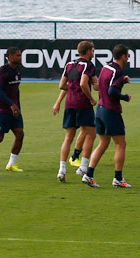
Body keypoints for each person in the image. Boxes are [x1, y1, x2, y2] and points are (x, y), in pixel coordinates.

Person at [84, 44, 132, 189]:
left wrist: (122, 81)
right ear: (123, 56)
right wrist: (124, 97)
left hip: (99, 109)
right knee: (120, 144)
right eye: (127, 55)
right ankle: (118, 178)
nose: (128, 58)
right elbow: (111, 91)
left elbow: (104, 84)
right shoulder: (118, 71)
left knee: (103, 143)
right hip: (110, 111)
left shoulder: (105, 68)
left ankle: (89, 174)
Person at [52, 41, 97, 182]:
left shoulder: (69, 64)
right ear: (88, 51)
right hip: (82, 104)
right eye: (93, 50)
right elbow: (84, 84)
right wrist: (91, 99)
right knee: (91, 133)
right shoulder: (88, 65)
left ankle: (62, 170)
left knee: (68, 137)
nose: (93, 52)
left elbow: (61, 85)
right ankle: (83, 168)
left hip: (69, 104)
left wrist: (72, 89)